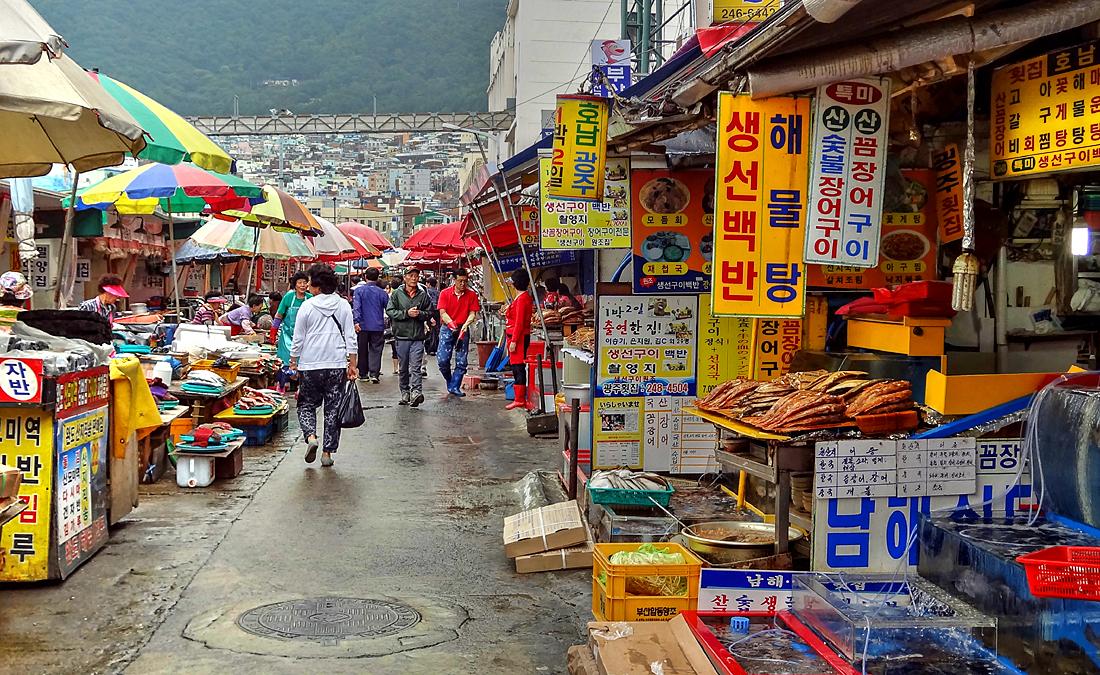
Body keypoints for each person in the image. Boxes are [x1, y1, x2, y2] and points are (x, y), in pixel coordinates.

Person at [289, 266, 358, 467]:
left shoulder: (307, 306)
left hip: (310, 364)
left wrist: (293, 361)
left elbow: (298, 338)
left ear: (318, 286)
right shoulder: (343, 305)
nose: (308, 285)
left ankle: (311, 437)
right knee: (333, 409)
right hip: (336, 364)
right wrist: (352, 363)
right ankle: (327, 453)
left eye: (310, 281)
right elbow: (350, 336)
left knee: (306, 404)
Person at [386, 267, 433, 407]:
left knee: (416, 367)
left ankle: (416, 392)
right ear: (405, 277)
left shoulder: (423, 294)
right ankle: (405, 391)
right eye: (411, 275)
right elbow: (390, 311)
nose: (414, 278)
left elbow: (430, 312)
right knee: (404, 367)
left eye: (416, 276)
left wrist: (420, 314)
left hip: (417, 336)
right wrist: (406, 313)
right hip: (401, 336)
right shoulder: (397, 294)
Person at [436, 268, 480, 397]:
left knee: (462, 360)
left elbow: (472, 313)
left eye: (465, 281)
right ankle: (450, 380)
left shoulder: (471, 295)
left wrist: (465, 326)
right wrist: (451, 324)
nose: (463, 284)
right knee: (443, 359)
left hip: (463, 328)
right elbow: (442, 312)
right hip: (447, 328)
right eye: (460, 281)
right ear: (454, 280)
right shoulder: (445, 293)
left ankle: (455, 386)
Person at [504, 268, 535, 411]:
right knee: (517, 367)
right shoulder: (522, 297)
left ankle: (519, 399)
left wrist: (514, 341)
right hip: (516, 336)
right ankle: (519, 398)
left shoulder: (522, 299)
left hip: (519, 337)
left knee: (518, 367)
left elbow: (519, 323)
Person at [352, 267, 389, 383]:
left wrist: (356, 321)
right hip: (378, 325)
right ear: (378, 277)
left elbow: (356, 307)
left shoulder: (359, 291)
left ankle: (363, 374)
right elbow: (388, 308)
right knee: (376, 349)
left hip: (362, 325)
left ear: (365, 277)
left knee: (362, 349)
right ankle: (374, 373)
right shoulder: (382, 293)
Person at [274, 272, 312, 367]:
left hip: (305, 337)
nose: (302, 285)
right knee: (286, 363)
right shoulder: (289, 296)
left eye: (304, 282)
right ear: (295, 285)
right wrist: (273, 331)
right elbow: (279, 315)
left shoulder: (310, 298)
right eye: (299, 283)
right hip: (287, 335)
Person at [424, 276, 441, 356]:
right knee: (436, 330)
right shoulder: (439, 293)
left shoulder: (427, 292)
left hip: (429, 312)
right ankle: (435, 348)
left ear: (429, 284)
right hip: (438, 312)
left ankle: (429, 347)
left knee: (429, 330)